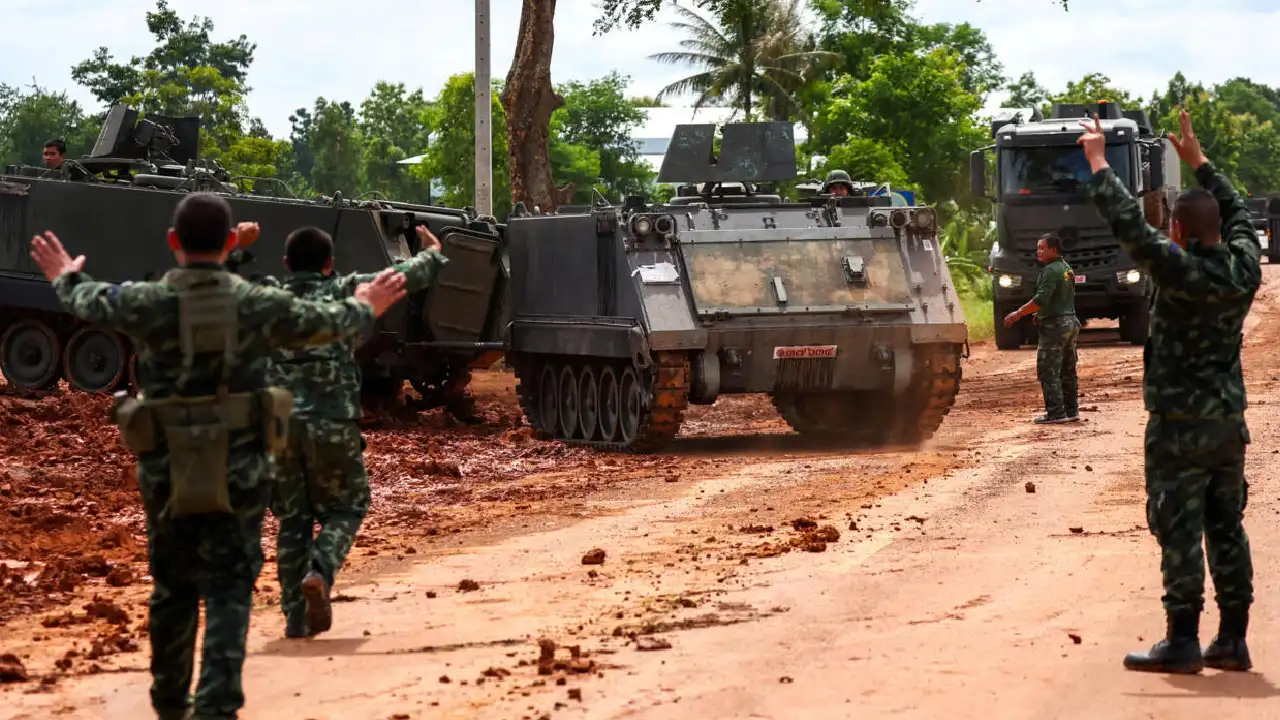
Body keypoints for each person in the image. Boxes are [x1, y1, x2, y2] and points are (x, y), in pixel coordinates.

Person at [28, 192, 410, 720]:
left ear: (172, 242)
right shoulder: (254, 303)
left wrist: (64, 273)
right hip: (242, 465)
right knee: (231, 586)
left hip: (168, 465)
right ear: (232, 242)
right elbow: (323, 320)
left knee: (172, 587)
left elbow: (88, 299)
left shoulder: (149, 301)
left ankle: (169, 703)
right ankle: (217, 705)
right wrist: (367, 304)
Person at [1079, 109, 1261, 674]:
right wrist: (1202, 164)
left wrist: (1098, 160)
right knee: (1225, 526)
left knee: (1179, 525)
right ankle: (1232, 638)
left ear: (1178, 231)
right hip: (1228, 425)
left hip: (1179, 427)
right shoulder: (1243, 268)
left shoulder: (1178, 270)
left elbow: (1130, 227)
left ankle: (1182, 638)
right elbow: (1237, 219)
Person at [231, 223, 449, 639]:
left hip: (279, 427)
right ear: (330, 264)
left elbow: (224, 284)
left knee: (292, 518)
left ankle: (295, 618)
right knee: (347, 506)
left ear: (285, 264)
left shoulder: (270, 297)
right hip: (332, 421)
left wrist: (238, 249)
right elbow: (407, 277)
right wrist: (432, 252)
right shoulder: (344, 290)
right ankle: (321, 570)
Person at [1002, 233, 1081, 424]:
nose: (1038, 252)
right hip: (1070, 322)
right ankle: (1071, 410)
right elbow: (1060, 298)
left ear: (1053, 250)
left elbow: (1041, 299)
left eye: (1042, 248)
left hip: (1055, 326)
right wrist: (1042, 313)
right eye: (1038, 248)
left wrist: (1018, 313)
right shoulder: (1066, 268)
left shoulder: (1051, 270)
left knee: (1048, 370)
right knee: (1067, 369)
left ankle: (1056, 413)